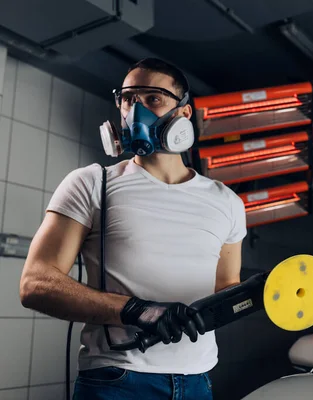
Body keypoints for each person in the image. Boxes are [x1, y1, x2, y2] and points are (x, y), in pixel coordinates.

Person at [19, 58, 247, 399]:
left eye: (152, 99)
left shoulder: (227, 201)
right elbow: (35, 284)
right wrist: (136, 311)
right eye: (128, 99)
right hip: (117, 379)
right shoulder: (92, 183)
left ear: (183, 115)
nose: (134, 111)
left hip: (197, 381)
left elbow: (227, 287)